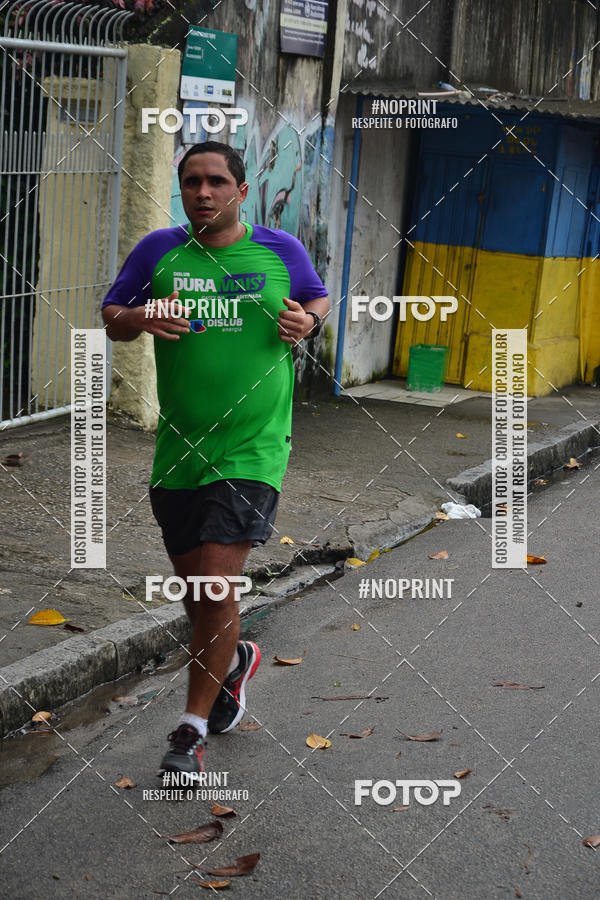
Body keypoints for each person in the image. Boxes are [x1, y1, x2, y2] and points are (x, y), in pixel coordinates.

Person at [102, 140, 329, 777]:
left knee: (213, 583)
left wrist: (306, 322)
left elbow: (316, 298)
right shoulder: (158, 251)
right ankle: (233, 662)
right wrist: (141, 316)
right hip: (179, 449)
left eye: (216, 181)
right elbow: (112, 316)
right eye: (192, 182)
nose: (203, 192)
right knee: (198, 597)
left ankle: (189, 730)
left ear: (241, 190)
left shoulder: (281, 250)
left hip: (253, 448)